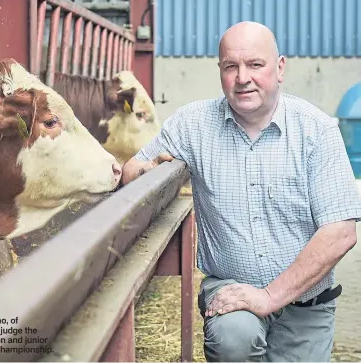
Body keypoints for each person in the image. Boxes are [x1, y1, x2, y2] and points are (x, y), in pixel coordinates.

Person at [121, 21, 361, 362]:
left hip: (307, 304)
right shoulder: (193, 124)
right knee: (234, 339)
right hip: (230, 294)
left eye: (255, 65)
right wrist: (150, 175)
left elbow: (340, 233)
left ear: (280, 69)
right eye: (230, 66)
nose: (242, 77)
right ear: (219, 71)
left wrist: (268, 296)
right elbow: (133, 168)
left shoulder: (316, 131)